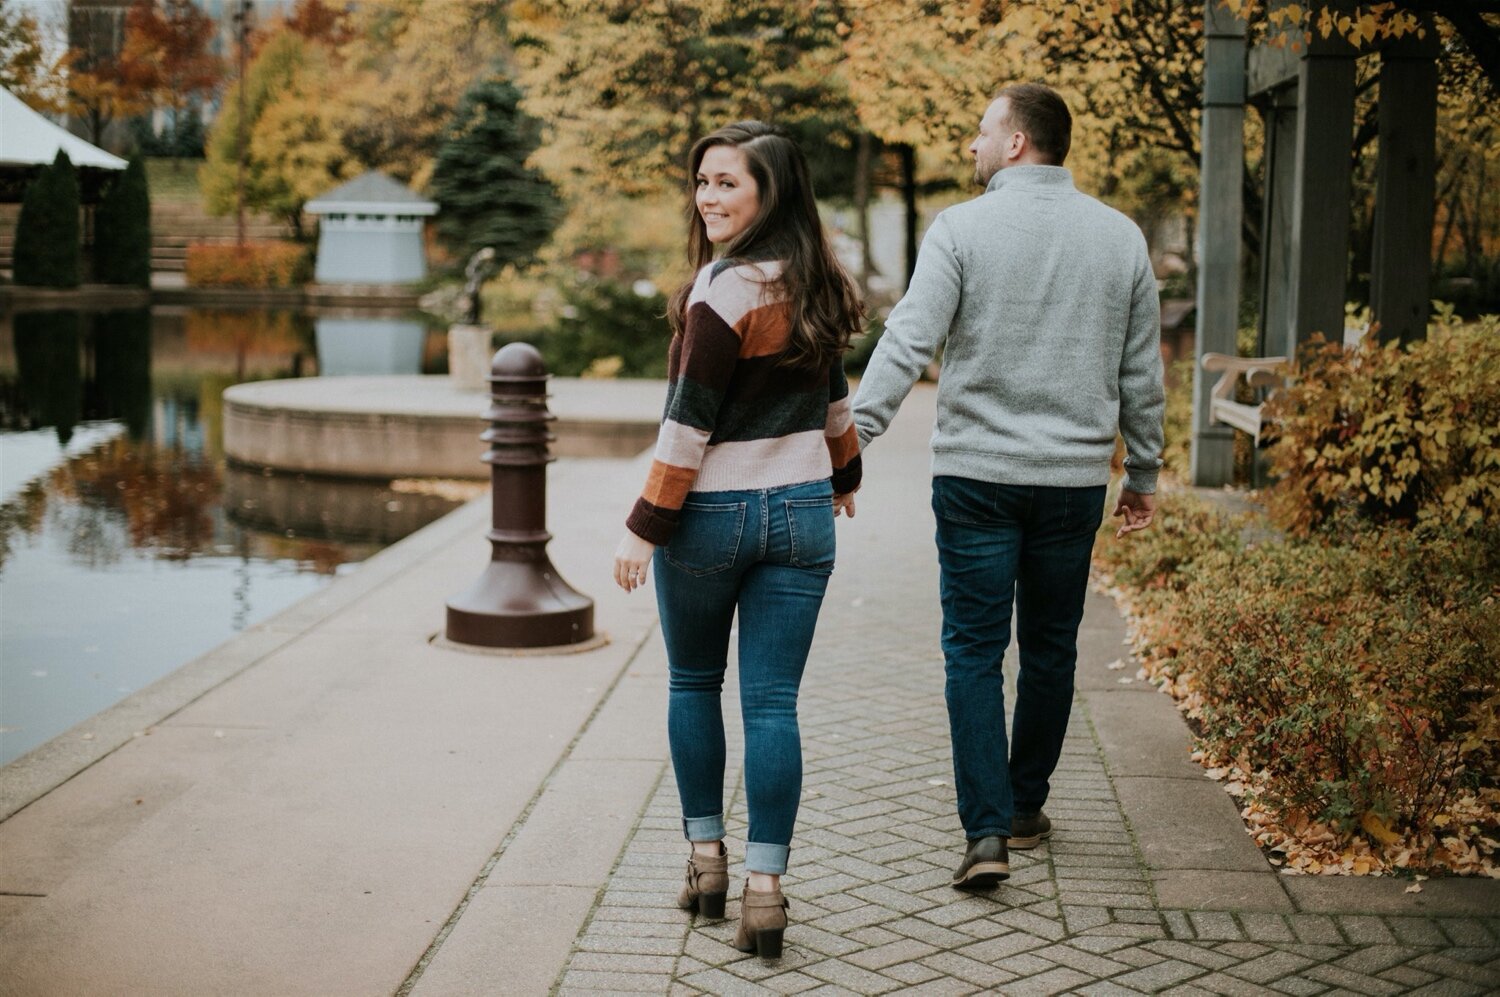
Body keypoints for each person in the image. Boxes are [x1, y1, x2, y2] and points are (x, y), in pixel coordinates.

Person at [851, 83, 1164, 890]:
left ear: (1019, 141)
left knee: (973, 649)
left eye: (983, 131)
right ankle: (1026, 807)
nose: (971, 145)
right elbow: (1141, 373)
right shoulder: (1120, 237)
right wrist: (1146, 471)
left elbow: (908, 338)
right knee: (1053, 647)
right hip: (1070, 481)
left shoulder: (960, 229)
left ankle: (985, 832)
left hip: (977, 478)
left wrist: (850, 440)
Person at [613, 121, 864, 957]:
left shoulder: (720, 294)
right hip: (799, 513)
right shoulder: (818, 280)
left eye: (728, 184)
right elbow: (835, 399)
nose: (709, 198)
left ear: (771, 193)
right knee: (771, 703)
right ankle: (766, 890)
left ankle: (708, 863)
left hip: (711, 518)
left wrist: (642, 529)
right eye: (704, 182)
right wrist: (845, 476)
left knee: (694, 683)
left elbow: (688, 425)